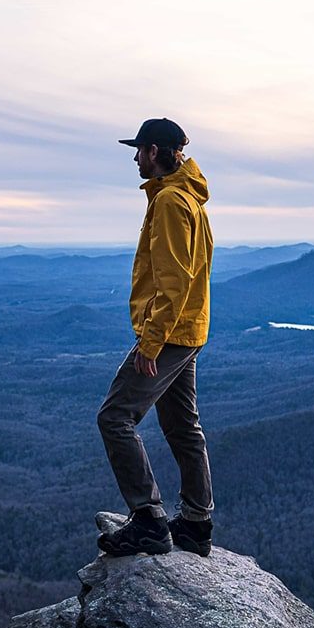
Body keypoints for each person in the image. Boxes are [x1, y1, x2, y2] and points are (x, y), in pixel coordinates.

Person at [96, 117, 214, 558]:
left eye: (141, 149)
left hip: (168, 334)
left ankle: (148, 520)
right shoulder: (190, 199)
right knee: (184, 427)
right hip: (189, 330)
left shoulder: (169, 201)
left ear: (158, 152)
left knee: (114, 417)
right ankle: (197, 524)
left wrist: (151, 342)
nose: (135, 156)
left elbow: (175, 279)